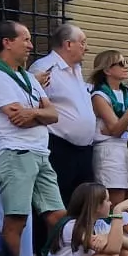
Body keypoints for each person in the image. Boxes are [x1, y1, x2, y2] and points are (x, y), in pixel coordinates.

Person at [0, 21, 65, 256]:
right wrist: (39, 114)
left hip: (39, 152)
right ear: (7, 42)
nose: (30, 45)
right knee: (16, 219)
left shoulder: (26, 77)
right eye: (25, 40)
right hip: (15, 152)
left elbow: (53, 114)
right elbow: (17, 119)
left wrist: (36, 113)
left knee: (57, 217)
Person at [31, 24, 98, 204]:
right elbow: (33, 103)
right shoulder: (45, 68)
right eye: (82, 43)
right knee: (59, 201)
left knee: (84, 203)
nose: (87, 47)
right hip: (60, 147)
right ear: (68, 44)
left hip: (84, 149)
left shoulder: (76, 70)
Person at [88, 48, 128, 205]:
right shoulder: (99, 95)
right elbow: (116, 131)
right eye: (121, 63)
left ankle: (127, 229)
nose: (126, 66)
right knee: (116, 201)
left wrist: (123, 125)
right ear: (108, 69)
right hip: (110, 150)